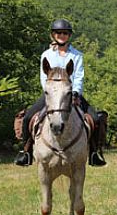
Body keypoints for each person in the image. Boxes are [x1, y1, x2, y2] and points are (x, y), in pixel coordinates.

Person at [14, 19, 107, 167]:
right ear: (53, 35)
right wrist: (51, 93)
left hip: (72, 94)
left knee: (95, 119)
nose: (61, 35)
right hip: (51, 95)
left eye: (65, 33)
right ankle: (26, 152)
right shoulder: (46, 55)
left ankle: (94, 153)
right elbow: (44, 78)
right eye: (58, 33)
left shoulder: (77, 55)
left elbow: (79, 77)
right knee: (28, 118)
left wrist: (75, 93)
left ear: (69, 35)